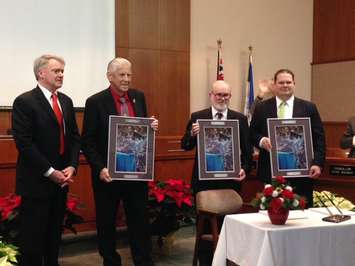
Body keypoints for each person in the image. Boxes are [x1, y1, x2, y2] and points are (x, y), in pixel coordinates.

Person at [81, 57, 158, 266]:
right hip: (108, 175)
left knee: (140, 221)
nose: (126, 79)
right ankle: (111, 261)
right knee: (107, 222)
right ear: (110, 76)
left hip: (136, 174)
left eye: (129, 75)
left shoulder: (138, 97)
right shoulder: (95, 102)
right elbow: (87, 142)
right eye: (122, 75)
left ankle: (143, 261)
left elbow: (140, 130)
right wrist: (100, 168)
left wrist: (151, 127)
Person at [12, 54, 81, 266]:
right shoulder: (25, 101)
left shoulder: (66, 101)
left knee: (53, 237)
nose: (61, 74)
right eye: (56, 71)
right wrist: (50, 172)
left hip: (61, 183)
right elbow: (24, 144)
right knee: (32, 241)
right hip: (37, 182)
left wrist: (71, 165)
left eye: (62, 71)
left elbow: (74, 138)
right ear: (41, 73)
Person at [181, 80, 252, 265]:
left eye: (226, 95)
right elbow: (185, 146)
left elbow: (247, 151)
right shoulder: (198, 116)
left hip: (231, 181)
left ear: (230, 96)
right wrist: (192, 134)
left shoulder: (240, 119)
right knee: (204, 227)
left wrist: (244, 169)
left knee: (228, 226)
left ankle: (228, 260)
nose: (222, 98)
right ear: (211, 95)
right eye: (219, 94)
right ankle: (206, 262)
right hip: (204, 182)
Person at [250, 69, 326, 207]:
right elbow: (252, 133)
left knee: (303, 215)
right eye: (281, 82)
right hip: (270, 171)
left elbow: (319, 138)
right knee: (273, 214)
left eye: (288, 82)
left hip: (303, 172)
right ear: (274, 85)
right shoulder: (262, 108)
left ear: (294, 84)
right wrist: (261, 141)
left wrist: (317, 163)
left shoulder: (309, 107)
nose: (285, 85)